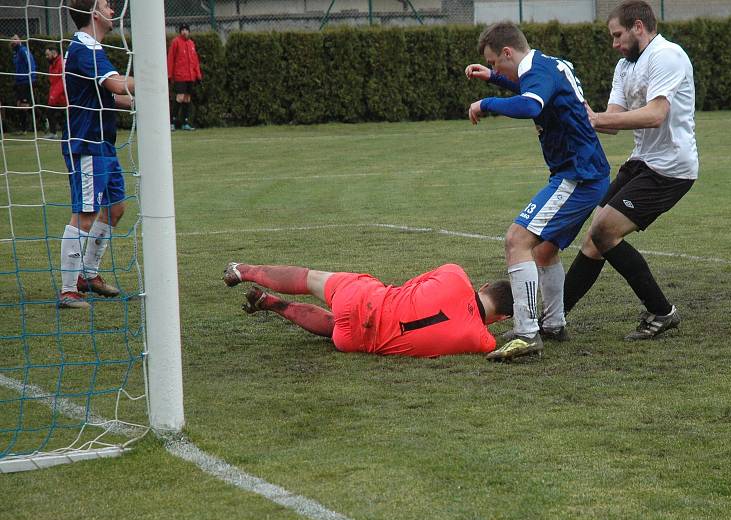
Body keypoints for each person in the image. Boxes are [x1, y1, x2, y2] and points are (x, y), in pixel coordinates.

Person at [465, 21, 610, 361]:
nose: (493, 67)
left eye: (495, 63)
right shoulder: (546, 63)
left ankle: (528, 333)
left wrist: (486, 102)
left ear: (507, 52)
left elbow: (532, 104)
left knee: (517, 241)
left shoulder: (536, 73)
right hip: (583, 170)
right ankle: (554, 323)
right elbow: (537, 90)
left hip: (578, 175)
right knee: (543, 251)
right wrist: (495, 79)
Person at [562, 0, 698, 340]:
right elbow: (610, 121)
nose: (615, 44)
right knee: (597, 237)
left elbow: (655, 115)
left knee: (605, 231)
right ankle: (554, 317)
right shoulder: (625, 66)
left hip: (672, 168)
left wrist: (595, 118)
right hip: (642, 161)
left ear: (639, 26)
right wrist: (573, 112)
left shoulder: (667, 55)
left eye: (618, 35)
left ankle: (662, 311)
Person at [222, 261, 513, 359]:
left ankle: (243, 270)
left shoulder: (455, 274)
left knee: (311, 279)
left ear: (484, 285)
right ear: (501, 319)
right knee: (338, 327)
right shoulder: (482, 341)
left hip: (363, 300)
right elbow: (487, 339)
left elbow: (410, 285)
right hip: (353, 343)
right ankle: (273, 305)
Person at [58, 0, 135, 308]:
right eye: (106, 4)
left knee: (115, 209)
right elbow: (116, 84)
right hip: (87, 143)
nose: (113, 10)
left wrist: (138, 101)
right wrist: (152, 77)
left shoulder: (91, 49)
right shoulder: (84, 48)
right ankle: (68, 291)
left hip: (104, 142)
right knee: (86, 214)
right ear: (93, 13)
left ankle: (88, 275)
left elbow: (107, 96)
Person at [167, 23, 202, 132]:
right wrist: (169, 75)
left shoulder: (191, 43)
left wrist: (198, 75)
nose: (184, 32)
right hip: (180, 76)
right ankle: (172, 122)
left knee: (187, 98)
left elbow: (195, 60)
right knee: (180, 97)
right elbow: (171, 59)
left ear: (189, 31)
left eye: (186, 30)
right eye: (182, 30)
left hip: (190, 76)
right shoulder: (176, 42)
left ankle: (185, 122)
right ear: (180, 31)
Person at [11, 34, 37, 133]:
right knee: (19, 105)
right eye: (12, 40)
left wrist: (32, 77)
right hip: (19, 82)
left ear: (20, 40)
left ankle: (28, 127)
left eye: (15, 39)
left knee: (24, 106)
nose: (13, 41)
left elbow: (30, 63)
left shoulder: (23, 50)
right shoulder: (15, 53)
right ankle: (23, 128)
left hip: (26, 81)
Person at [44, 47, 67, 140]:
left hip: (63, 95)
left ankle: (65, 133)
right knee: (50, 112)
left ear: (54, 53)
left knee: (63, 115)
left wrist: (54, 94)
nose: (46, 57)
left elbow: (63, 80)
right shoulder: (51, 65)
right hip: (56, 95)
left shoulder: (61, 63)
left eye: (47, 55)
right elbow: (53, 82)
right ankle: (53, 133)